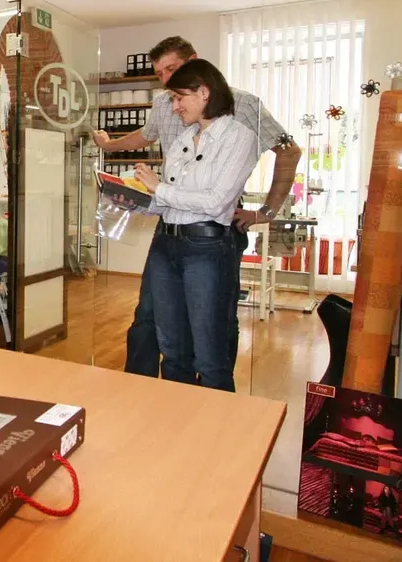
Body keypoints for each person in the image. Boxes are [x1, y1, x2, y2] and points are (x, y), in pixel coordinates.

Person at [93, 37, 301, 381]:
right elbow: (145, 139)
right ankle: (138, 391)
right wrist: (121, 176)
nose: (165, 84)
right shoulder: (170, 113)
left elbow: (288, 152)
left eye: (172, 72)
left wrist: (266, 211)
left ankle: (213, 399)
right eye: (159, 75)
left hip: (213, 231)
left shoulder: (243, 108)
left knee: (214, 327)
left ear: (197, 71)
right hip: (170, 228)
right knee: (150, 317)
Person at [116, 59, 259, 392]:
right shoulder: (183, 139)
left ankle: (220, 433)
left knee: (210, 356)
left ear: (205, 93)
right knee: (173, 349)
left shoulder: (239, 138)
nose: (175, 106)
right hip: (167, 245)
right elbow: (167, 200)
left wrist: (157, 187)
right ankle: (177, 425)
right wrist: (130, 196)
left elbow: (215, 201)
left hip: (207, 249)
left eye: (180, 98)